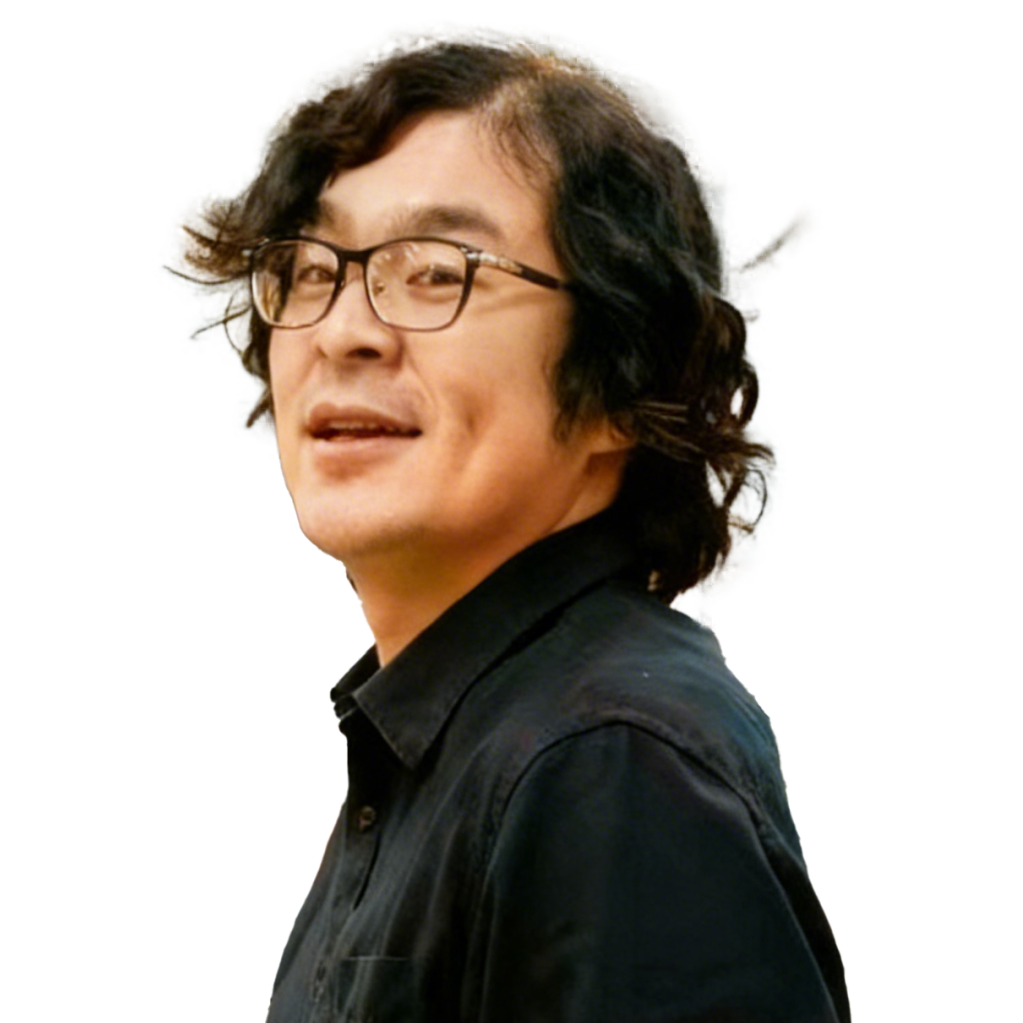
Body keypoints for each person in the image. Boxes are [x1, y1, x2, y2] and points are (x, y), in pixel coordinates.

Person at [171, 21, 849, 1022]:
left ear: (627, 379)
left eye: (437, 271)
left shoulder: (608, 764)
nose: (343, 331)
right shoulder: (462, 738)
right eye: (310, 270)